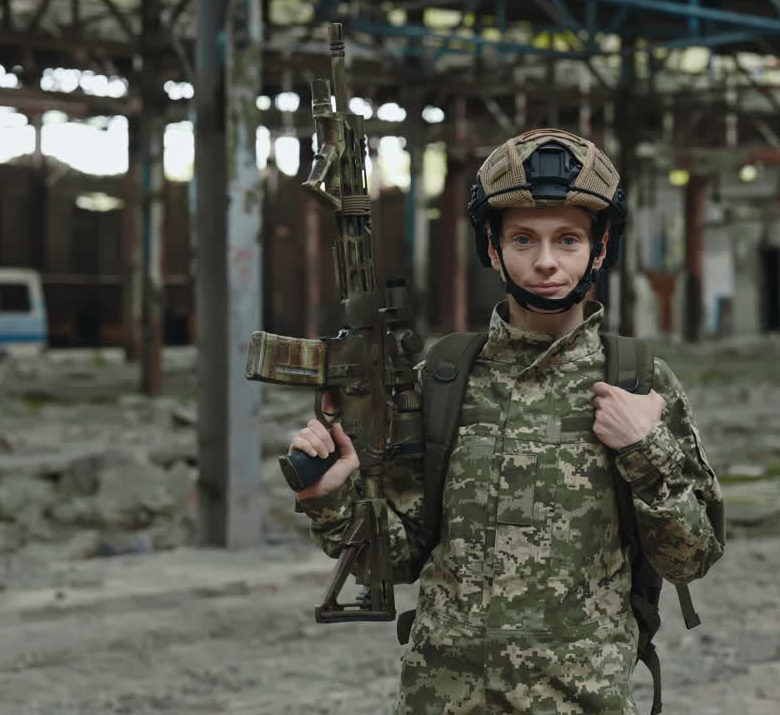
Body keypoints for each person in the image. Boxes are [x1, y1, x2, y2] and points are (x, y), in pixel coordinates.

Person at [288, 128, 724, 714]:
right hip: (442, 699)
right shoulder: (441, 379)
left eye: (568, 240)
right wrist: (330, 499)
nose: (546, 262)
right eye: (523, 239)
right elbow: (395, 560)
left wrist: (646, 448)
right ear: (492, 248)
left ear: (599, 249)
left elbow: (690, 558)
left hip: (578, 700)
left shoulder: (639, 381)